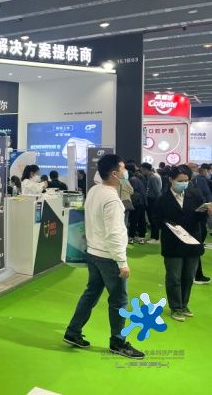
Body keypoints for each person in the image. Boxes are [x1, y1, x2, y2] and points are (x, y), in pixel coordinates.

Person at [64, 154, 144, 360]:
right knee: (119, 300)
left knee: (91, 293)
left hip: (93, 252)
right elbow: (114, 233)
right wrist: (122, 262)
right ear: (115, 174)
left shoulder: (94, 190)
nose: (126, 172)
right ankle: (118, 342)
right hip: (108, 257)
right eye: (123, 169)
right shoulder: (112, 199)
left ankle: (73, 331)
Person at [153, 165, 211, 320]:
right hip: (173, 243)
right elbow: (157, 220)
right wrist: (170, 225)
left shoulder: (195, 195)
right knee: (174, 277)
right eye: (180, 180)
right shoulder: (162, 199)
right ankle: (176, 307)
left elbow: (200, 219)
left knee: (188, 276)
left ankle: (184, 304)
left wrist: (205, 212)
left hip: (192, 241)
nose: (184, 183)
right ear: (171, 180)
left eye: (186, 180)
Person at [187, 162, 211, 283]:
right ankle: (196, 275)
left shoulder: (198, 181)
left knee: (195, 247)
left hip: (197, 219)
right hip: (193, 221)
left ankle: (197, 274)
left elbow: (207, 195)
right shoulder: (195, 182)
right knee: (194, 248)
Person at [140, 162, 163, 244]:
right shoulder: (155, 176)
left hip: (153, 201)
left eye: (142, 170)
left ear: (145, 169)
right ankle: (153, 237)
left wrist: (158, 203)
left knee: (153, 220)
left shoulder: (153, 177)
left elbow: (157, 191)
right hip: (153, 200)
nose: (141, 172)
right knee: (152, 219)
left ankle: (155, 238)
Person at [126, 163, 147, 244]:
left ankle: (131, 237)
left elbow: (132, 191)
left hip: (137, 203)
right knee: (141, 220)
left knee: (133, 220)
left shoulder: (132, 179)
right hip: (142, 202)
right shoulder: (137, 178)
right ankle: (141, 238)